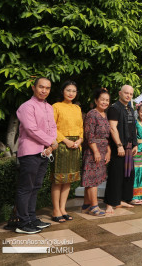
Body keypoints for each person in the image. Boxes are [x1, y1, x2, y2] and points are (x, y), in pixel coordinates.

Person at [14, 77, 58, 234]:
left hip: (44, 152)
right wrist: (51, 142)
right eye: (41, 87)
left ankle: (31, 218)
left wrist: (51, 144)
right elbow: (31, 129)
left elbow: (53, 127)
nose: (44, 90)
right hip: (30, 152)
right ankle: (22, 222)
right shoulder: (27, 107)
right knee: (26, 187)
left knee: (36, 186)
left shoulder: (49, 107)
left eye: (47, 88)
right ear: (34, 88)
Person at [51, 81, 83, 223]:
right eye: (68, 90)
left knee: (68, 180)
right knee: (59, 180)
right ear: (62, 91)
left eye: (74, 91)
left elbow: (81, 127)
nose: (71, 93)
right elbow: (52, 127)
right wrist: (65, 140)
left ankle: (63, 208)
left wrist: (80, 140)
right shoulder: (56, 107)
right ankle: (56, 210)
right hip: (62, 146)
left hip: (76, 146)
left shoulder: (77, 108)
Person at [104, 85, 138, 214]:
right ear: (120, 93)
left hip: (129, 146)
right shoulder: (114, 108)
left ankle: (120, 200)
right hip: (119, 147)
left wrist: (135, 144)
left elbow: (132, 127)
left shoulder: (129, 108)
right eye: (126, 93)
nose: (128, 96)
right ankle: (109, 203)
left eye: (131, 94)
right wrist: (118, 145)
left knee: (127, 175)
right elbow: (113, 128)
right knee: (115, 176)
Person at [81, 88, 111, 216]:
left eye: (107, 100)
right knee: (92, 179)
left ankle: (86, 205)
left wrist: (108, 151)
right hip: (93, 150)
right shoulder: (92, 114)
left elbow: (107, 136)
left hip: (103, 148)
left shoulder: (105, 114)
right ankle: (94, 206)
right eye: (102, 99)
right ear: (96, 100)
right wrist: (96, 151)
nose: (104, 102)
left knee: (94, 178)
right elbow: (89, 135)